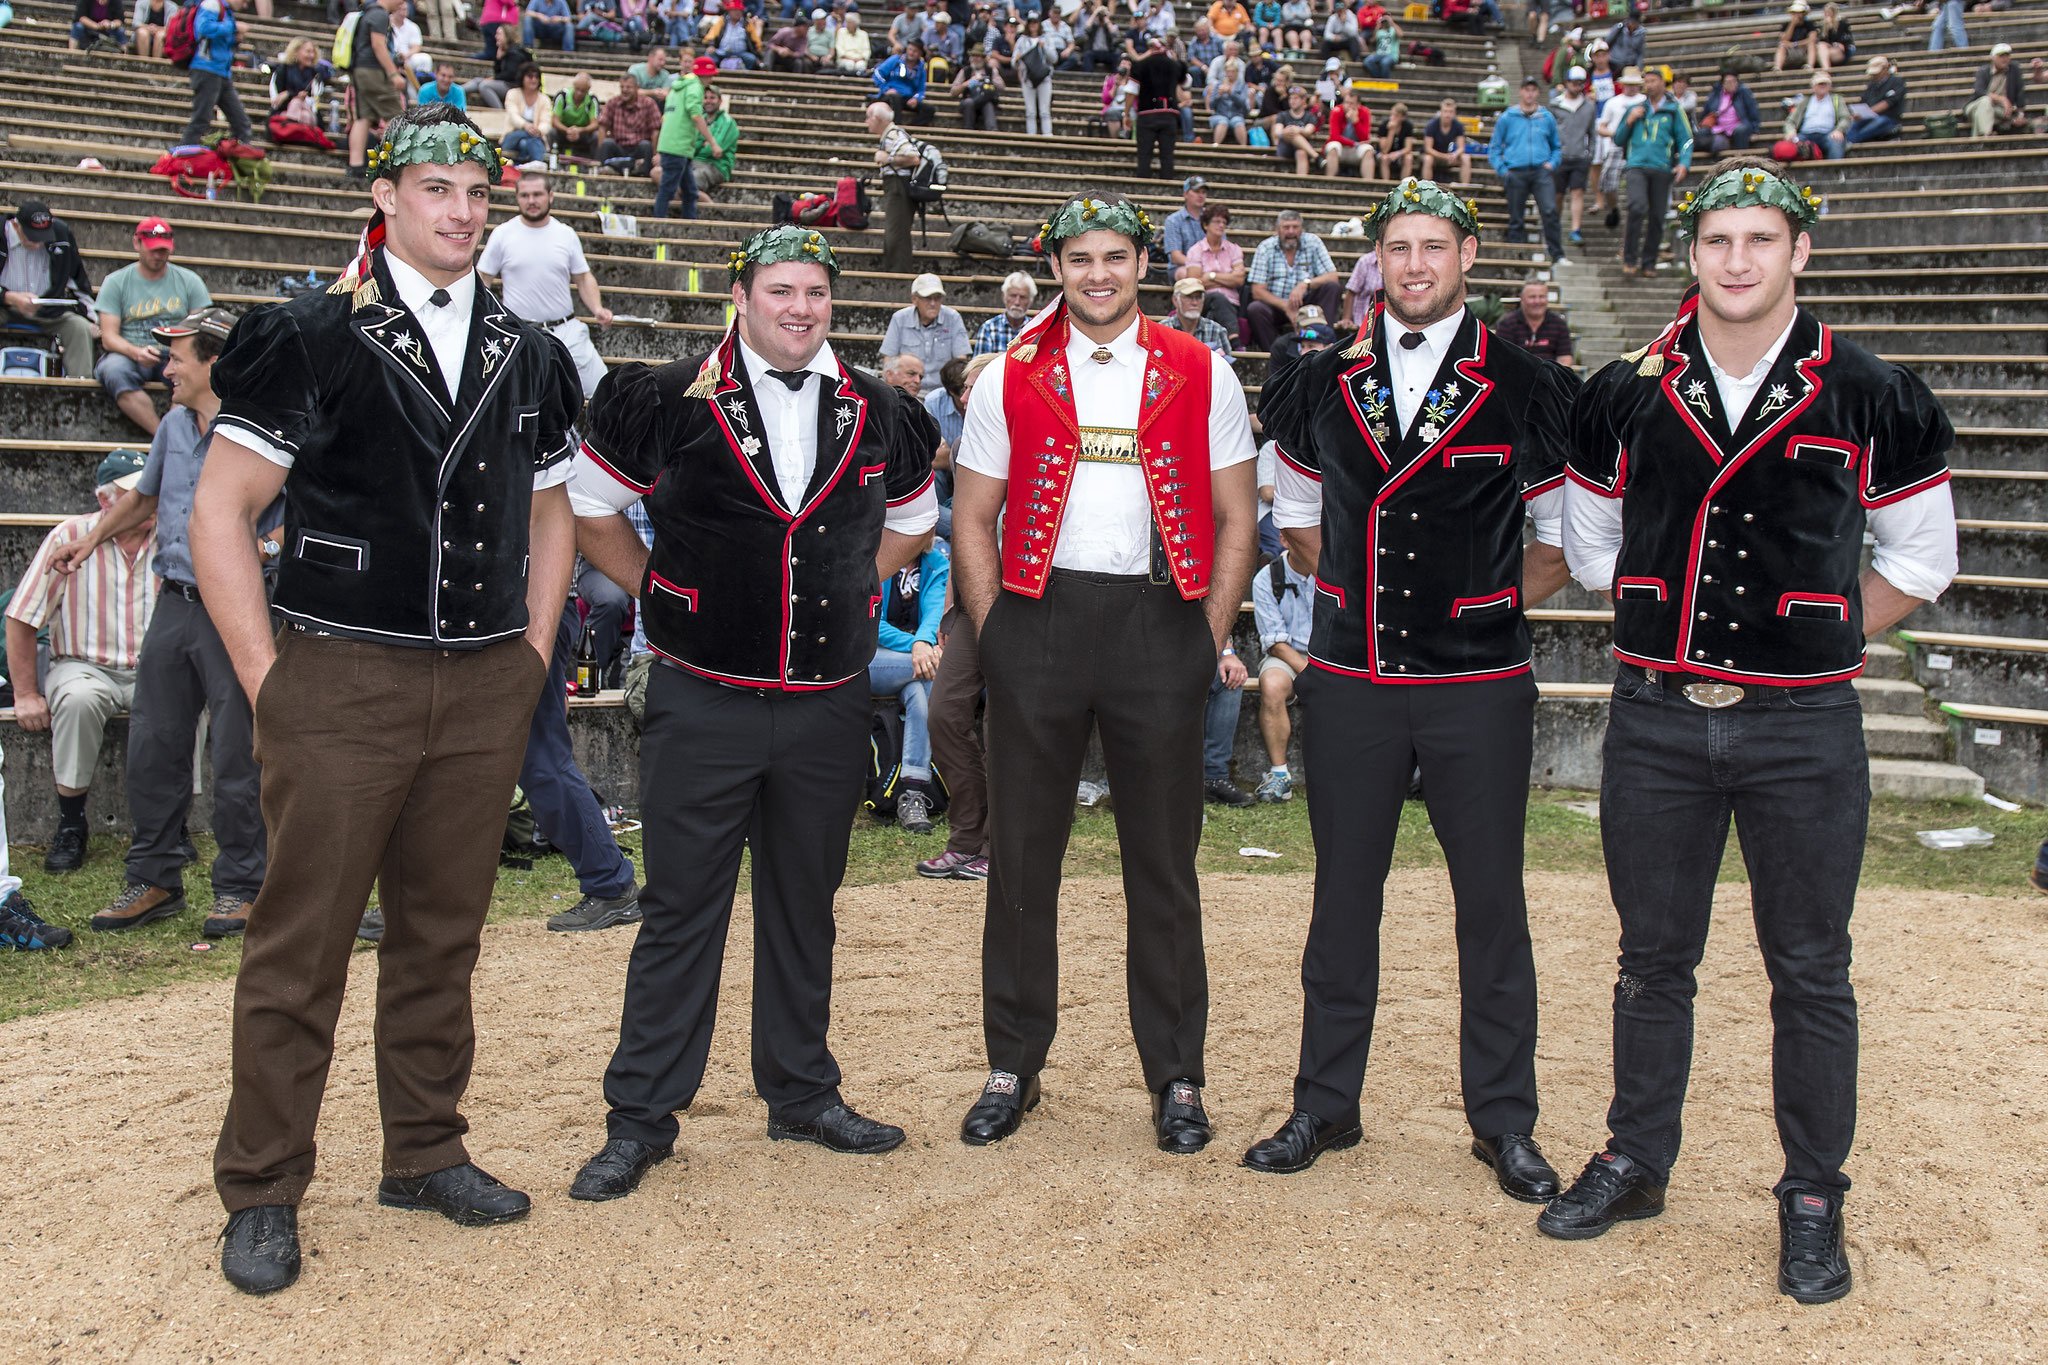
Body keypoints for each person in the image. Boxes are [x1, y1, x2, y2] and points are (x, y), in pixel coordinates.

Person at [1548, 157, 1960, 1307]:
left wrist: (1818, 642)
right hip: (1656, 721)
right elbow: (1591, 550)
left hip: (1801, 726)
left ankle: (1811, 1197)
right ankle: (1635, 1158)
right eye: (1716, 241)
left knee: (1809, 971)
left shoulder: (1874, 391)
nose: (1736, 261)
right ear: (1691, 254)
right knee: (1649, 962)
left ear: (1797, 254)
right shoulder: (1620, 388)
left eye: (1758, 241)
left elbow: (1922, 561)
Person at [194, 106, 582, 1296]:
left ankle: (422, 1150)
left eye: (474, 189)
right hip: (340, 676)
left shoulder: (534, 349)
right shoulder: (309, 334)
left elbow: (553, 510)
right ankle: (262, 1185)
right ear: (387, 200)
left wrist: (531, 649)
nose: (460, 210)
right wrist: (271, 680)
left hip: (482, 683)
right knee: (300, 943)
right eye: (434, 187)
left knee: (442, 936)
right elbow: (220, 514)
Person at [562, 226, 937, 1202]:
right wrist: (660, 592)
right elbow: (589, 508)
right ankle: (641, 1117)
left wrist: (860, 588)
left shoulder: (881, 411)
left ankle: (802, 1091)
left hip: (826, 704)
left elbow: (912, 521)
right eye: (780, 290)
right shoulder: (664, 398)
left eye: (815, 290)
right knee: (681, 911)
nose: (800, 308)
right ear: (740, 294)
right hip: (703, 699)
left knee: (802, 908)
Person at [1245, 180, 1576, 1200]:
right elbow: (1296, 521)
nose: (1416, 264)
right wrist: (1351, 601)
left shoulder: (1525, 382)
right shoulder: (1315, 378)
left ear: (1466, 256)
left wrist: (1479, 610)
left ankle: (1503, 1122)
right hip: (1350, 677)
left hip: (1478, 681)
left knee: (1491, 908)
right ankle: (1323, 1104)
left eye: (1434, 246)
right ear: (1375, 262)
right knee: (1340, 901)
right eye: (1398, 247)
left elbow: (1562, 543)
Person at [949, 192, 1258, 1154]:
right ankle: (1014, 1061)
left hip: (1162, 620)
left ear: (1143, 263)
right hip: (1038, 621)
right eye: (1079, 258)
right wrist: (997, 630)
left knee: (1163, 865)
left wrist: (1205, 631)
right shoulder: (1005, 374)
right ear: (1057, 268)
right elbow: (972, 516)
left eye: (1115, 256)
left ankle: (1176, 1075)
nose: (1097, 274)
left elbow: (1237, 519)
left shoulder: (1203, 368)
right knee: (1022, 858)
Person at [52, 307, 271, 937]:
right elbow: (144, 497)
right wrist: (90, 540)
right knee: (154, 743)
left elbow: (304, 509)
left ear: (214, 363)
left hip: (238, 606)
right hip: (174, 600)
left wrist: (270, 548)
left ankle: (241, 887)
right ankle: (152, 879)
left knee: (236, 753)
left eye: (177, 356)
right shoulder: (175, 424)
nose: (164, 366)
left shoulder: (265, 424)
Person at [6, 451, 156, 878]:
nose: (148, 501)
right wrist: (26, 694)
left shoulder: (172, 535)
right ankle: (72, 822)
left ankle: (169, 825)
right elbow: (21, 616)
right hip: (83, 664)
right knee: (78, 698)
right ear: (106, 501)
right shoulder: (71, 535)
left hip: (152, 667)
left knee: (184, 694)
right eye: (134, 494)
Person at [478, 172, 612, 398]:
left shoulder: (566, 234)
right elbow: (483, 278)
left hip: (567, 330)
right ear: (517, 197)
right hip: (519, 332)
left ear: (550, 196)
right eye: (525, 195)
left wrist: (597, 309)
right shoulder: (502, 234)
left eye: (537, 194)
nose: (531, 201)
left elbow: (583, 277)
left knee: (603, 391)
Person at [93, 218, 211, 437]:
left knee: (197, 371)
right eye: (153, 250)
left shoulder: (190, 281)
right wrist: (136, 353)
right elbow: (109, 337)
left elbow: (201, 332)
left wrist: (178, 357)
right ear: (137, 243)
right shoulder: (116, 282)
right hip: (131, 350)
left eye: (163, 251)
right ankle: (161, 436)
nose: (158, 256)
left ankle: (173, 434)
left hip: (175, 351)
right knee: (112, 370)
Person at [871, 541, 950, 833]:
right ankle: (915, 791)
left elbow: (934, 614)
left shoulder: (935, 563)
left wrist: (923, 644)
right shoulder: (873, 556)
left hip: (916, 662)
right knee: (934, 669)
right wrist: (917, 645)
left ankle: (913, 792)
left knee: (921, 689)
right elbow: (871, 622)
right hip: (870, 657)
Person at [1, 201, 96, 378]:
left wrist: (94, 318)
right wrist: (11, 298)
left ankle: (79, 390)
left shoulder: (61, 234)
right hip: (4, 305)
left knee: (78, 326)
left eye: (42, 236)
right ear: (15, 225)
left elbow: (78, 280)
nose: (37, 243)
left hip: (48, 308)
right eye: (31, 236)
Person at [1249, 537, 1311, 802]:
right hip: (1288, 655)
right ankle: (1279, 775)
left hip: (1330, 655)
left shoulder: (1334, 573)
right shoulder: (1267, 578)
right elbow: (1275, 643)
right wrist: (1312, 674)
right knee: (1272, 685)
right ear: (1284, 539)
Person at [1616, 66, 1691, 276]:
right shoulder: (1636, 108)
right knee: (1636, 206)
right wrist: (1629, 122)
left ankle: (1649, 262)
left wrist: (1684, 162)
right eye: (1646, 81)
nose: (1648, 85)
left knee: (1657, 215)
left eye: (1652, 81)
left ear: (1662, 83)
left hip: (1661, 166)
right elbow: (1618, 138)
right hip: (1636, 165)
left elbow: (1686, 139)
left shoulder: (1674, 110)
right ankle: (1629, 257)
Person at [1491, 77, 1568, 265]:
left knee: (1549, 211)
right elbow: (1494, 148)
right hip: (1515, 171)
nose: (1530, 93)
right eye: (1527, 89)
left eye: (1534, 90)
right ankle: (1516, 255)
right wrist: (1503, 170)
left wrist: (1552, 163)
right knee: (1516, 215)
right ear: (1521, 91)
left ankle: (1557, 254)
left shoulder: (1546, 117)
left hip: (1541, 171)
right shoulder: (1508, 117)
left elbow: (1557, 146)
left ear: (1537, 93)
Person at [1246, 208, 1342, 350]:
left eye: (1295, 227)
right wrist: (1286, 306)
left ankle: (1324, 343)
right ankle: (1275, 353)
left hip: (1307, 304)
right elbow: (1257, 291)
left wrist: (1305, 284)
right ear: (1277, 229)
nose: (1291, 232)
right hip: (1277, 306)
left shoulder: (1313, 242)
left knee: (1332, 288)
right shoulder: (1265, 248)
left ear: (1301, 229)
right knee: (1255, 308)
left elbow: (1332, 276)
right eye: (1286, 227)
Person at [179, 0, 255, 152]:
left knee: (241, 123)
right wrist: (233, 27)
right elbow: (204, 28)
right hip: (206, 69)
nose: (245, 5)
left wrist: (235, 39)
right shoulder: (212, 4)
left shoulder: (226, 10)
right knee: (201, 119)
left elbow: (219, 41)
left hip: (221, 72)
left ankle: (238, 159)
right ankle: (183, 157)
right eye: (245, 1)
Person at [347, 0, 411, 179]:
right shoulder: (380, 15)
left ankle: (355, 165)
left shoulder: (367, 12)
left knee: (363, 118)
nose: (401, 3)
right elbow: (378, 45)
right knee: (395, 115)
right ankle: (393, 164)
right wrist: (394, 74)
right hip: (375, 71)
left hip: (360, 70)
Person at [883, 274, 970, 395]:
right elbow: (888, 360)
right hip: (907, 391)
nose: (933, 303)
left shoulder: (953, 318)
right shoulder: (900, 318)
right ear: (914, 299)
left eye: (937, 298)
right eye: (927, 298)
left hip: (943, 392)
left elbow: (960, 360)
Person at [654, 63, 719, 218]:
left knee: (690, 191)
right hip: (678, 146)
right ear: (706, 75)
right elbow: (696, 116)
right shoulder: (695, 87)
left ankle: (691, 223)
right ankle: (656, 224)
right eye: (711, 75)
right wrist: (712, 142)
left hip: (676, 146)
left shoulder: (678, 87)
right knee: (667, 190)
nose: (711, 79)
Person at [1182, 202, 1245, 336]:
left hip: (1231, 303)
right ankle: (1235, 338)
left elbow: (1239, 280)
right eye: (1217, 221)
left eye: (1224, 222)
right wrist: (1228, 278)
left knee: (1214, 312)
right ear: (1205, 225)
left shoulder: (1234, 249)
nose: (1222, 225)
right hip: (1203, 300)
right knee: (1216, 297)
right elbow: (1195, 283)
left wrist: (1210, 276)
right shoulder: (1195, 251)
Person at [1551, 68, 1596, 246]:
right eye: (1573, 82)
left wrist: (1589, 153)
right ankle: (1555, 227)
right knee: (1558, 195)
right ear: (1567, 82)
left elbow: (1592, 133)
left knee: (1578, 192)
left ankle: (1576, 229)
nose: (1576, 86)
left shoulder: (1589, 106)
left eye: (1579, 83)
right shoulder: (1556, 105)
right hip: (1560, 156)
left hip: (1579, 156)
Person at [1596, 64, 1644, 229]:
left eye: (1634, 84)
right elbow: (1601, 127)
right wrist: (1616, 134)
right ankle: (1613, 208)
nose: (1631, 87)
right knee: (1607, 184)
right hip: (1616, 147)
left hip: (1637, 147)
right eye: (1628, 84)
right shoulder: (1613, 103)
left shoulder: (1644, 102)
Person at [1132, 34, 1184, 178]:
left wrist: (1127, 112)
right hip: (1169, 114)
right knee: (1167, 155)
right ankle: (1167, 184)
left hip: (1146, 114)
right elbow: (1184, 81)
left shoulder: (1141, 65)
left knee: (1144, 154)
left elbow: (1131, 90)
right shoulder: (1174, 65)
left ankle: (1142, 185)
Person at [1495, 276, 1573, 366]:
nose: (1537, 301)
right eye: (1532, 297)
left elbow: (1565, 359)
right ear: (1522, 299)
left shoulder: (1559, 325)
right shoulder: (1507, 324)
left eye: (1542, 297)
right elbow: (1502, 358)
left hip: (1550, 377)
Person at [596, 71, 663, 176]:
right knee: (607, 143)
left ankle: (644, 175)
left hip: (639, 149)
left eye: (628, 87)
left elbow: (656, 130)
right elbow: (602, 127)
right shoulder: (612, 103)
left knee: (646, 146)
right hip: (619, 147)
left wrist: (656, 154)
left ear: (637, 88)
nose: (624, 90)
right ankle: (605, 169)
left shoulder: (648, 103)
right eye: (622, 87)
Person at [1966, 43, 2029, 138]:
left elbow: (2020, 94)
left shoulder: (2014, 70)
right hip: (1976, 105)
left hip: (1998, 111)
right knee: (1985, 101)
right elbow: (1979, 91)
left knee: (1979, 115)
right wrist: (2002, 99)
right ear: (1993, 58)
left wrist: (2020, 115)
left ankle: (1979, 139)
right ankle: (1987, 134)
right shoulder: (1983, 71)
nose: (2004, 59)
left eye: (2007, 55)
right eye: (2001, 56)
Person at [497, 62, 553, 166]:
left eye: (536, 77)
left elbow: (546, 122)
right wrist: (526, 126)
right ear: (522, 77)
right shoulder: (512, 94)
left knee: (526, 143)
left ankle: (522, 165)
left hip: (535, 136)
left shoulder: (545, 99)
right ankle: (538, 164)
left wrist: (538, 130)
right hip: (512, 136)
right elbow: (513, 116)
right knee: (532, 139)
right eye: (530, 76)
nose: (534, 80)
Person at [1784, 70, 1848, 161]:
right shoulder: (1805, 101)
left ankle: (1836, 172)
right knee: (1789, 146)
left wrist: (1839, 130)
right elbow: (1790, 121)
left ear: (1830, 85)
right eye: (1820, 83)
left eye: (1825, 83)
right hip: (1805, 135)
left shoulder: (1837, 100)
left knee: (1836, 143)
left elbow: (1845, 117)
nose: (1823, 86)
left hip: (1828, 134)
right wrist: (1790, 131)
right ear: (1813, 86)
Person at [464, 24, 532, 109]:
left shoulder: (515, 53)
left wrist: (494, 78)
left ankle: (499, 111)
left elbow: (510, 74)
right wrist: (498, 59)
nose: (496, 36)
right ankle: (455, 91)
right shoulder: (505, 51)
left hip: (513, 86)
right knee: (477, 81)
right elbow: (498, 72)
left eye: (499, 34)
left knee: (485, 86)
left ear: (507, 36)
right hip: (505, 83)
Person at [1165, 276, 1233, 358]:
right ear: (1175, 300)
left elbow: (1226, 368)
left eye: (1199, 297)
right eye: (1189, 297)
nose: (1194, 302)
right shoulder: (1164, 330)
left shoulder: (1217, 330)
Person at [690, 85, 740, 193]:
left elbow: (715, 150)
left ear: (720, 101)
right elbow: (689, 145)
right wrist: (703, 143)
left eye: (712, 98)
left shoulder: (728, 122)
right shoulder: (699, 120)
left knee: (691, 180)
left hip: (717, 165)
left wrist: (703, 145)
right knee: (663, 174)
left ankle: (710, 207)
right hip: (694, 162)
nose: (708, 101)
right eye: (706, 97)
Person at [1846, 54, 1906, 144]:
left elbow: (1889, 102)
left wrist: (1868, 112)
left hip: (1889, 118)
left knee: (1877, 123)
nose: (1874, 76)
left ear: (1886, 69)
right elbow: (1863, 101)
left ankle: (1851, 141)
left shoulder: (1896, 82)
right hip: (1870, 117)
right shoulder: (1872, 86)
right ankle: (1848, 141)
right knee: (1854, 124)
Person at [1696, 70, 1760, 154]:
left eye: (1734, 81)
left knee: (1741, 130)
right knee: (1703, 132)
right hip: (1719, 127)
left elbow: (1753, 112)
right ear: (1723, 83)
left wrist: (1754, 131)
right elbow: (1706, 112)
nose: (1732, 84)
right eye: (1729, 82)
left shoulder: (1744, 93)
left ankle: (1741, 158)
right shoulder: (1715, 94)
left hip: (1737, 126)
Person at [974, 271, 1037, 354]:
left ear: (1031, 301)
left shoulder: (1036, 330)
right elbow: (980, 366)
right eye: (1013, 295)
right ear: (1004, 296)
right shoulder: (989, 328)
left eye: (1023, 297)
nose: (1017, 302)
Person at [874, 40, 932, 123]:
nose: (911, 53)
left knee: (929, 109)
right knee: (896, 98)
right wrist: (886, 89)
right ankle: (896, 126)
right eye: (910, 49)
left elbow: (921, 89)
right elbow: (878, 73)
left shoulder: (921, 69)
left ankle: (910, 129)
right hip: (890, 96)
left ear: (920, 54)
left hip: (906, 99)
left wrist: (916, 99)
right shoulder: (895, 60)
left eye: (915, 51)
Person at [1420, 95, 1473, 184]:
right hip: (1434, 156)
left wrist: (1455, 154)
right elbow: (1428, 149)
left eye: (1450, 112)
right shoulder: (1432, 125)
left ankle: (1465, 186)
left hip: (1449, 156)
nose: (1447, 115)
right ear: (1441, 112)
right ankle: (1426, 187)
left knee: (1466, 158)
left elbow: (1461, 147)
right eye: (1445, 111)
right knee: (1428, 159)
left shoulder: (1458, 125)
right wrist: (1443, 156)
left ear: (1454, 113)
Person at [1160, 175, 1208, 270]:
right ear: (1185, 194)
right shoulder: (1173, 220)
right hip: (1182, 267)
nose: (1201, 195)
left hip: (1209, 267)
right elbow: (1176, 257)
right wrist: (1200, 266)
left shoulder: (1212, 217)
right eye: (1196, 191)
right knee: (1187, 274)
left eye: (1203, 192)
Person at [1321, 85, 1368, 178]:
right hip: (1341, 147)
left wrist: (1356, 122)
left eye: (1351, 103)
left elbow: (1365, 138)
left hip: (1355, 150)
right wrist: (1355, 144)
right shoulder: (1337, 111)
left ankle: (1369, 184)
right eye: (1346, 102)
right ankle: (1329, 181)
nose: (1348, 106)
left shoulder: (1365, 112)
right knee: (1333, 146)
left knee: (1368, 150)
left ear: (1358, 104)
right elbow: (1334, 136)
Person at [952, 48, 1003, 130]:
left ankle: (993, 132)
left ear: (983, 58)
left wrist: (987, 79)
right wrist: (966, 83)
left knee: (988, 104)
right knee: (969, 102)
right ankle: (968, 131)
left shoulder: (990, 70)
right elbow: (953, 92)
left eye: (978, 56)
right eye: (973, 56)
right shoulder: (965, 71)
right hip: (969, 101)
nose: (975, 58)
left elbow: (1002, 86)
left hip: (985, 101)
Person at [1376, 99, 1415, 178]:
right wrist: (1391, 131)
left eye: (1396, 116)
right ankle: (1385, 183)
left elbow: (1408, 148)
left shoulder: (1408, 126)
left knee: (1409, 158)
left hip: (1399, 153)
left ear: (1403, 117)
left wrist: (1398, 153)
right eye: (1392, 115)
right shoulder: (1384, 125)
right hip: (1384, 153)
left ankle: (1403, 185)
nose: (1392, 118)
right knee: (1384, 159)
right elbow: (1384, 150)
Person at [1773, 0, 1814, 70]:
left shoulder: (1809, 25)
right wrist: (1792, 25)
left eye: (1799, 12)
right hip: (1790, 51)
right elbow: (1784, 39)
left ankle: (1810, 65)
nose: (1796, 15)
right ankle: (1777, 67)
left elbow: (1812, 39)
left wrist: (1795, 44)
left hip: (1803, 50)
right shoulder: (1786, 25)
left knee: (1811, 45)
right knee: (1781, 46)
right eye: (1794, 12)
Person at [1603, 6, 1644, 72]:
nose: (1633, 25)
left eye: (1635, 23)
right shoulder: (1619, 28)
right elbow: (1607, 41)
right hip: (1614, 62)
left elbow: (1640, 52)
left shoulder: (1641, 33)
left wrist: (1638, 67)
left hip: (1629, 64)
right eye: (1632, 22)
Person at [832, 7, 870, 71]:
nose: (847, 25)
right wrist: (850, 58)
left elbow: (866, 50)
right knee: (850, 65)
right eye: (847, 22)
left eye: (850, 23)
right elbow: (840, 49)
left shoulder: (863, 34)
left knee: (860, 65)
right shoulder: (841, 32)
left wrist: (860, 58)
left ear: (855, 24)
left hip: (859, 59)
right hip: (845, 59)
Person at [1361, 11, 1398, 76]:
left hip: (1391, 55)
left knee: (1384, 63)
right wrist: (1378, 25)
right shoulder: (1379, 31)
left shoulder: (1393, 30)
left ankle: (1384, 81)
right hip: (1379, 54)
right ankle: (1378, 78)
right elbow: (1372, 40)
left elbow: (1401, 34)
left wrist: (1392, 22)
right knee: (1367, 61)